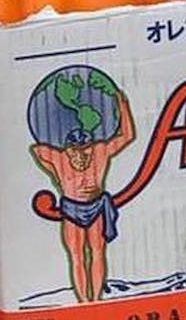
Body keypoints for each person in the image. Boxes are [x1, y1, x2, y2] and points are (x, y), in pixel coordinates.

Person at [30, 90, 136, 304]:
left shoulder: (100, 151)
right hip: (71, 209)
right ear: (69, 150)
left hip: (96, 206)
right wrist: (57, 173)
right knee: (77, 256)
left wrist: (123, 105)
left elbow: (127, 136)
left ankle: (96, 299)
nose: (81, 155)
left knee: (97, 252)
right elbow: (37, 149)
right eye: (76, 151)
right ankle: (83, 299)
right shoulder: (59, 156)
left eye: (85, 150)